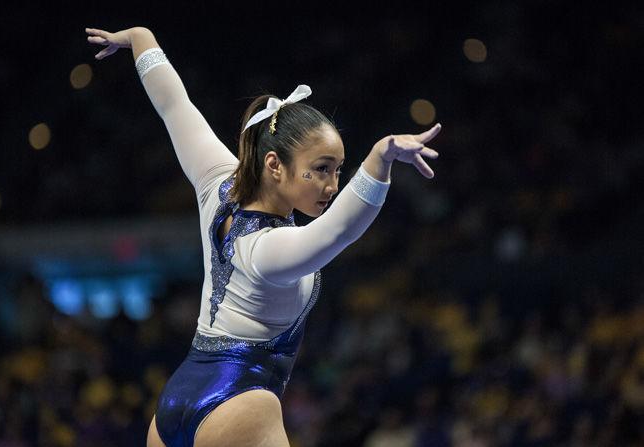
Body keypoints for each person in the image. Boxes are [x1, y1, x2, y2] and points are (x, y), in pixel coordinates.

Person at [86, 26, 441, 447]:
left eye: (339, 170)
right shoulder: (268, 251)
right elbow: (340, 230)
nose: (332, 185)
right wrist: (380, 160)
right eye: (322, 168)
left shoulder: (216, 182)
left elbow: (174, 104)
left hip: (175, 402)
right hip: (238, 404)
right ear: (275, 164)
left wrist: (141, 38)